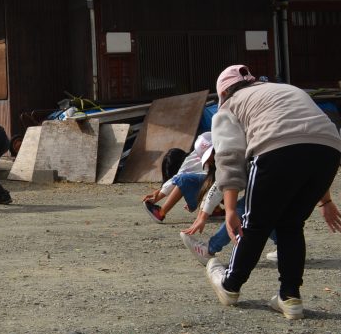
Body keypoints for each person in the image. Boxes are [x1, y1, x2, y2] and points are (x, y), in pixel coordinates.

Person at [203, 64, 341, 320]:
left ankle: (230, 285)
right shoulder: (285, 89)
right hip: (330, 150)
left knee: (255, 224)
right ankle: (290, 298)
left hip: (275, 150)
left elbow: (229, 158)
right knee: (291, 224)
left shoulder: (229, 106)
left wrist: (231, 209)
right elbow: (308, 138)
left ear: (223, 93)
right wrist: (326, 200)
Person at [142, 132, 213, 222]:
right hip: (221, 185)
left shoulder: (191, 160)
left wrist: (157, 197)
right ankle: (215, 211)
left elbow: (178, 178)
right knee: (190, 181)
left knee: (184, 180)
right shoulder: (200, 151)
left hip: (222, 185)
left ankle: (161, 213)